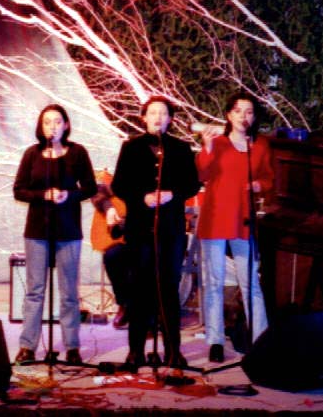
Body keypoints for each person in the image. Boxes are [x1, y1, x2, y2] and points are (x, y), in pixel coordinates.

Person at [110, 96, 200, 372]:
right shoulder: (131, 147)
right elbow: (119, 185)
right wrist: (142, 197)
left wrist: (173, 194)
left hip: (170, 229)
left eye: (163, 113)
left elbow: (192, 184)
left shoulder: (181, 148)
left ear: (170, 119)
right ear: (144, 117)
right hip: (140, 228)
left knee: (168, 288)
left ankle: (173, 350)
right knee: (140, 288)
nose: (158, 117)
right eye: (152, 113)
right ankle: (136, 351)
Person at [12, 104, 98, 365]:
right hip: (38, 229)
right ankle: (28, 346)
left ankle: (72, 346)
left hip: (68, 229)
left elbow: (90, 188)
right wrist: (43, 195)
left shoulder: (78, 153)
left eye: (57, 121)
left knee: (69, 291)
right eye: (47, 122)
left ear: (66, 125)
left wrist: (68, 195)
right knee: (35, 290)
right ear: (41, 127)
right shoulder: (32, 154)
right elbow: (19, 190)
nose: (53, 126)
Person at [196, 92, 272, 363]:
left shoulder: (260, 145)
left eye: (249, 111)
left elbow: (269, 178)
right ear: (229, 115)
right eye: (238, 111)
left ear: (254, 117)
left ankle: (260, 339)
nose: (243, 116)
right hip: (216, 217)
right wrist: (206, 147)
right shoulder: (217, 142)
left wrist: (259, 185)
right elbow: (201, 174)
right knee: (214, 282)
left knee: (251, 281)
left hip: (243, 218)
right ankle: (215, 340)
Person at [90, 171, 132, 329]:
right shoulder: (119, 180)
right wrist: (109, 208)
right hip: (121, 240)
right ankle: (124, 304)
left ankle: (150, 312)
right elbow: (96, 189)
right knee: (112, 256)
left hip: (146, 236)